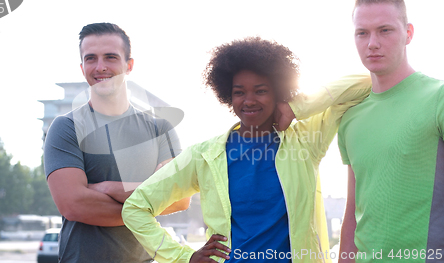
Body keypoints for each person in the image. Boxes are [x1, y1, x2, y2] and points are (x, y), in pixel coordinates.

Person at [122, 37, 372, 263]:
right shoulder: (204, 156)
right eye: (239, 92)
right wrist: (184, 257)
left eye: (261, 91)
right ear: (228, 97)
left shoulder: (305, 141)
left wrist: (297, 108)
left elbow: (365, 83)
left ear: (278, 92)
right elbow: (135, 208)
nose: (249, 100)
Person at [43, 22, 189, 262]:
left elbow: (179, 198)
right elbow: (73, 205)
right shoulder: (66, 127)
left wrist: (107, 188)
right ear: (82, 68)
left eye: (110, 57)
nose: (100, 67)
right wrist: (147, 200)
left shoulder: (160, 129)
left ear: (128, 65)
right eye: (91, 59)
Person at [338, 1, 444, 262]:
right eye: (362, 33)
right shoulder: (350, 118)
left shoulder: (438, 98)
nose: (372, 43)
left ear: (408, 33)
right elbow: (352, 212)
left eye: (384, 30)